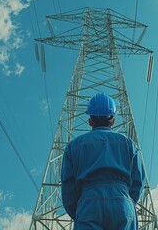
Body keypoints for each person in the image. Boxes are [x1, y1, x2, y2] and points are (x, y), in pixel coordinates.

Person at [61, 92, 146, 230]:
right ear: (112, 120)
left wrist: (79, 212)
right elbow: (138, 182)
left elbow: (68, 188)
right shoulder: (129, 144)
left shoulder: (73, 146)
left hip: (88, 204)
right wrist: (127, 202)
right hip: (123, 203)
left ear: (90, 121)